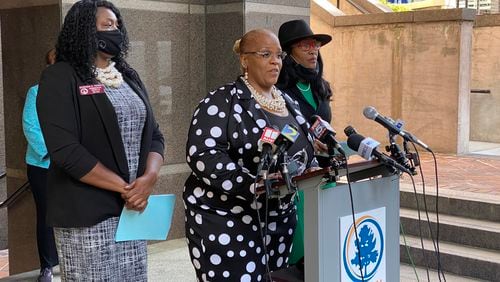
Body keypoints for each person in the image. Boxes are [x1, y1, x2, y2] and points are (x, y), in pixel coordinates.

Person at [36, 1, 164, 281]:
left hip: (132, 210)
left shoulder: (128, 75)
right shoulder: (61, 76)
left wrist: (149, 179)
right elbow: (65, 151)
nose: (115, 30)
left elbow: (154, 135)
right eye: (107, 25)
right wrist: (127, 188)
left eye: (117, 25)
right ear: (83, 30)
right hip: (88, 213)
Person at [183, 28, 316, 281]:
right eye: (266, 54)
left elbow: (304, 150)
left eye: (279, 55)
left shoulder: (288, 101)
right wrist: (251, 185)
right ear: (245, 59)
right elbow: (203, 154)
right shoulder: (220, 101)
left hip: (279, 219)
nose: (275, 61)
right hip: (228, 220)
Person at [277, 19, 334, 270]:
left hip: (325, 170)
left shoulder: (319, 86)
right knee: (303, 248)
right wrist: (308, 142)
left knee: (324, 244)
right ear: (289, 53)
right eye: (306, 46)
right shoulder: (279, 89)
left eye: (316, 45)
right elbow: (282, 130)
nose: (314, 51)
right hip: (298, 177)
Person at [22, 48, 58, 282]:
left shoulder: (77, 92)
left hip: (72, 166)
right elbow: (30, 126)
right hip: (42, 165)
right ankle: (47, 266)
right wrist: (55, 154)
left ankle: (69, 260)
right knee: (46, 216)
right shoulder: (36, 92)